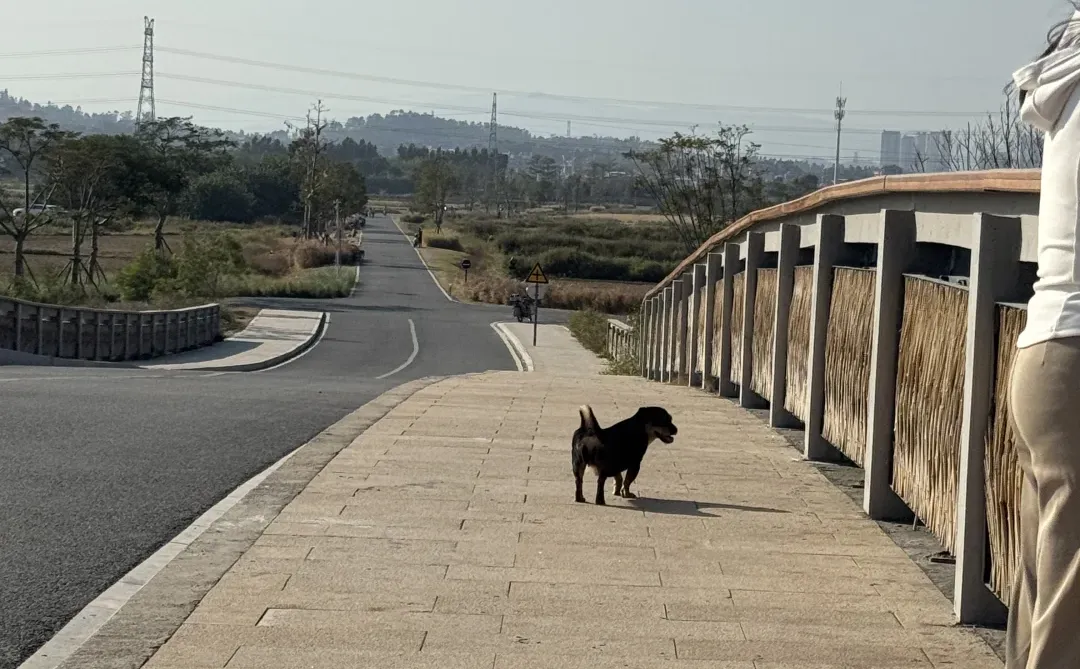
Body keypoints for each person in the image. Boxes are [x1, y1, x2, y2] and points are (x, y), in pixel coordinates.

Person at [1007, 5, 1080, 667]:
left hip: (1043, 352)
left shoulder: (1068, 77)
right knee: (1065, 616)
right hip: (1075, 356)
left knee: (1042, 593)